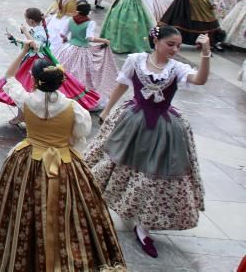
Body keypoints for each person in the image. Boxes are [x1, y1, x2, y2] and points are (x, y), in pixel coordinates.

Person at [0, 49, 125, 271]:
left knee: (21, 205)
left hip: (28, 158)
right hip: (64, 161)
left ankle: (20, 255)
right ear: (61, 81)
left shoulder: (26, 99)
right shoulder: (75, 109)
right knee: (68, 210)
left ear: (35, 81)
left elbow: (9, 78)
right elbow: (79, 135)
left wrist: (24, 51)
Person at [85, 25, 210, 258]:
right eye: (170, 44)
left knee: (151, 173)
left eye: (177, 45)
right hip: (132, 120)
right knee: (116, 162)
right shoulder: (136, 60)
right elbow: (122, 85)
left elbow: (200, 79)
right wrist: (106, 111)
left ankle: (143, 224)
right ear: (156, 42)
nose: (174, 49)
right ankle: (116, 203)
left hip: (163, 127)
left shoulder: (176, 68)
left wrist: (205, 53)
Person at [55, 0, 116, 107]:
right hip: (82, 51)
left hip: (68, 49)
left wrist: (65, 39)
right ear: (88, 12)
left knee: (63, 71)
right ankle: (76, 94)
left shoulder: (70, 20)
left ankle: (61, 90)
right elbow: (89, 38)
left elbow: (62, 34)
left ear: (77, 11)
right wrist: (104, 40)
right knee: (80, 74)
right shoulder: (90, 23)